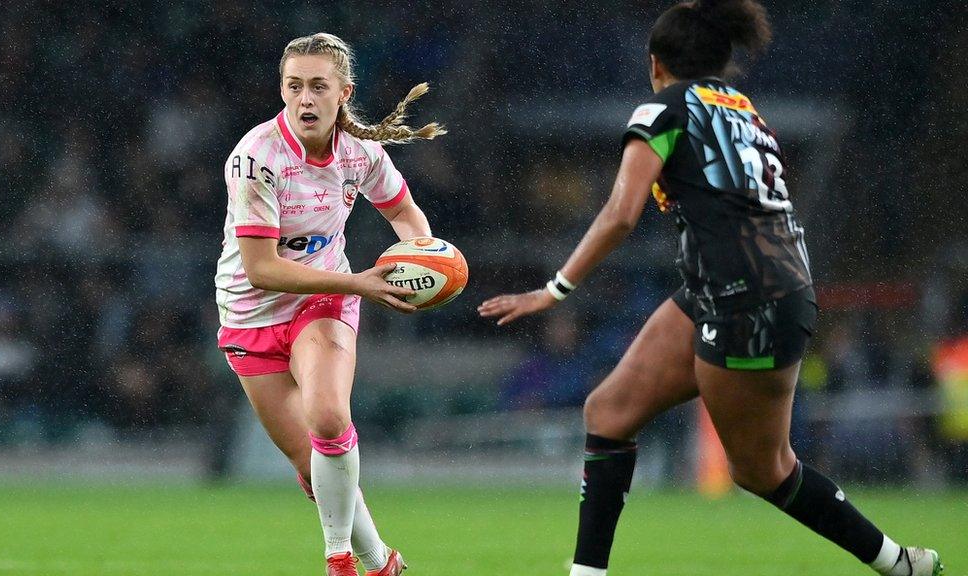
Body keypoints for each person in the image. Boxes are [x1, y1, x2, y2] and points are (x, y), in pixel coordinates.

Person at [478, 2, 943, 575]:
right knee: (608, 411)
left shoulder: (662, 110)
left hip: (744, 296)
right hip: (750, 284)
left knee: (762, 470)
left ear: (656, 64)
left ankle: (898, 562)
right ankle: (586, 573)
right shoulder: (743, 109)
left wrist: (554, 290)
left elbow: (621, 214)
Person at [215, 32, 444, 576]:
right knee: (309, 464)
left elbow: (408, 217)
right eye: (294, 87)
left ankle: (338, 560)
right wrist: (364, 284)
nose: (305, 100)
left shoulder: (362, 153)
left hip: (323, 298)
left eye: (318, 87)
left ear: (344, 92)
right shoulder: (255, 158)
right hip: (249, 316)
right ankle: (379, 562)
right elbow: (261, 269)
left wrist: (422, 265)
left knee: (327, 415)